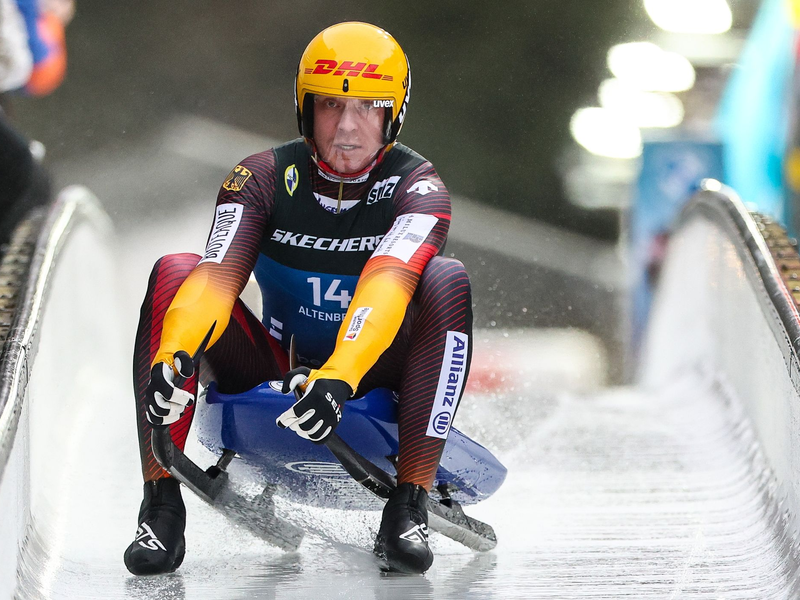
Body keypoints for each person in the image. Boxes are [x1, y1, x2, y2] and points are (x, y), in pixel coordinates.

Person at [124, 21, 473, 576]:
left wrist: (339, 375)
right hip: (276, 366)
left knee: (446, 278)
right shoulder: (259, 178)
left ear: (394, 114)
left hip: (372, 374)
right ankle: (160, 505)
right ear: (305, 109)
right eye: (331, 105)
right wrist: (175, 359)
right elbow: (214, 279)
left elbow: (388, 281)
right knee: (176, 269)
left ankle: (409, 503)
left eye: (369, 108)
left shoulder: (419, 189)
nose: (348, 128)